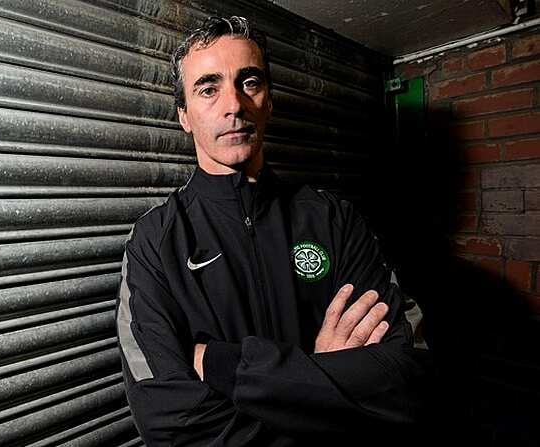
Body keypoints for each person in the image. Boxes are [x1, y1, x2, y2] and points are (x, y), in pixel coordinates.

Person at [115, 16, 426, 446]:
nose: (234, 106)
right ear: (184, 116)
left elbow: (409, 376)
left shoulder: (334, 220)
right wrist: (322, 385)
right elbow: (169, 424)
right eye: (209, 89)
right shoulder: (155, 243)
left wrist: (226, 364)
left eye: (249, 82)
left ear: (269, 101)